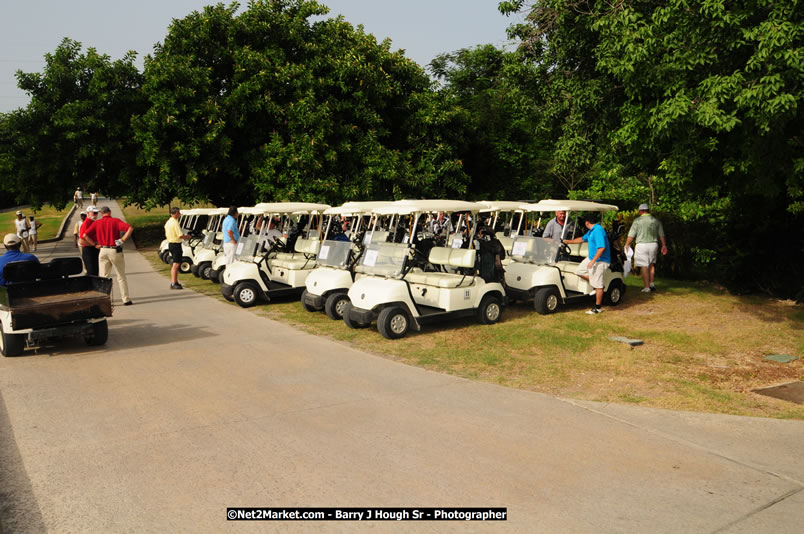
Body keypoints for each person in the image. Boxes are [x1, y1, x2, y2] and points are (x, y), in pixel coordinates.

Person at [83, 206, 134, 305]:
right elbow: (130, 228)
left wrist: (94, 244)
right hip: (114, 249)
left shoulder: (97, 223)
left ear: (101, 214)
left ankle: (105, 299)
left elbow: (85, 235)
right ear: (110, 212)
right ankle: (125, 299)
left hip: (102, 250)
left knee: (104, 276)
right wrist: (122, 240)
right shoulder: (115, 221)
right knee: (121, 276)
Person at [564, 213, 611, 315]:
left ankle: (597, 307)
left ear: (587, 223)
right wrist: (567, 242)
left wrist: (593, 261)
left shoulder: (598, 231)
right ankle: (597, 285)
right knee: (579, 271)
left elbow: (601, 248)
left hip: (601, 260)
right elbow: (581, 239)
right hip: (591, 258)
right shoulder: (591, 231)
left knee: (598, 284)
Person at [624, 203, 668, 293]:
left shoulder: (637, 221)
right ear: (648, 211)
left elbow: (631, 234)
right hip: (653, 244)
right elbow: (661, 234)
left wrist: (627, 244)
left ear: (640, 211)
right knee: (651, 264)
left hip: (642, 245)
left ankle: (646, 287)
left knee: (644, 266)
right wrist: (664, 245)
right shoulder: (656, 220)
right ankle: (651, 283)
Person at [165, 207, 191, 289]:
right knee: (176, 264)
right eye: (178, 213)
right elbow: (180, 235)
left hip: (171, 243)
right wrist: (187, 236)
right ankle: (173, 282)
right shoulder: (175, 223)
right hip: (176, 244)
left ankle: (175, 281)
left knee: (176, 263)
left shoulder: (168, 222)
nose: (179, 214)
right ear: (175, 213)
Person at [79, 206, 100, 275]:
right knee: (92, 273)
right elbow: (81, 241)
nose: (96, 215)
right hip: (89, 250)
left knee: (95, 272)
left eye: (96, 213)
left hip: (94, 250)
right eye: (94, 213)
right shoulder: (86, 223)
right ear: (88, 213)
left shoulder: (93, 222)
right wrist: (94, 244)